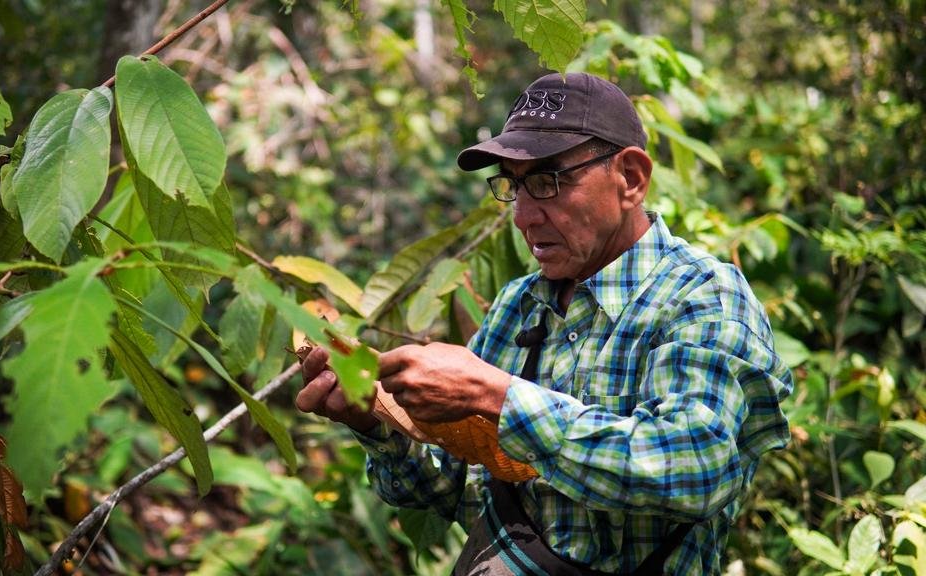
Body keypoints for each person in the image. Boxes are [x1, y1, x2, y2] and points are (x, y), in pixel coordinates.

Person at [295, 72, 792, 575]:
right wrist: (373, 418)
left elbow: (693, 468)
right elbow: (449, 488)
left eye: (547, 181)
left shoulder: (703, 296)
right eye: (514, 185)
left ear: (631, 178)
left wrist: (498, 396)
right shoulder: (519, 305)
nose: (523, 215)